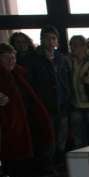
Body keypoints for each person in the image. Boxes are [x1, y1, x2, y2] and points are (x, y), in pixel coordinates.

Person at [0, 43, 54, 177]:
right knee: (15, 155)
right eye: (7, 58)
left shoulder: (19, 74)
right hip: (11, 124)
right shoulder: (8, 76)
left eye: (13, 57)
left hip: (27, 120)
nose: (11, 61)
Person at [18, 26, 70, 164]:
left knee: (61, 139)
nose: (50, 41)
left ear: (57, 41)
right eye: (47, 38)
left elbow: (66, 80)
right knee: (47, 139)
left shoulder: (61, 58)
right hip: (43, 105)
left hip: (62, 104)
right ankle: (47, 167)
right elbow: (29, 84)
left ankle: (59, 166)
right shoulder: (32, 59)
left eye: (53, 38)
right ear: (41, 39)